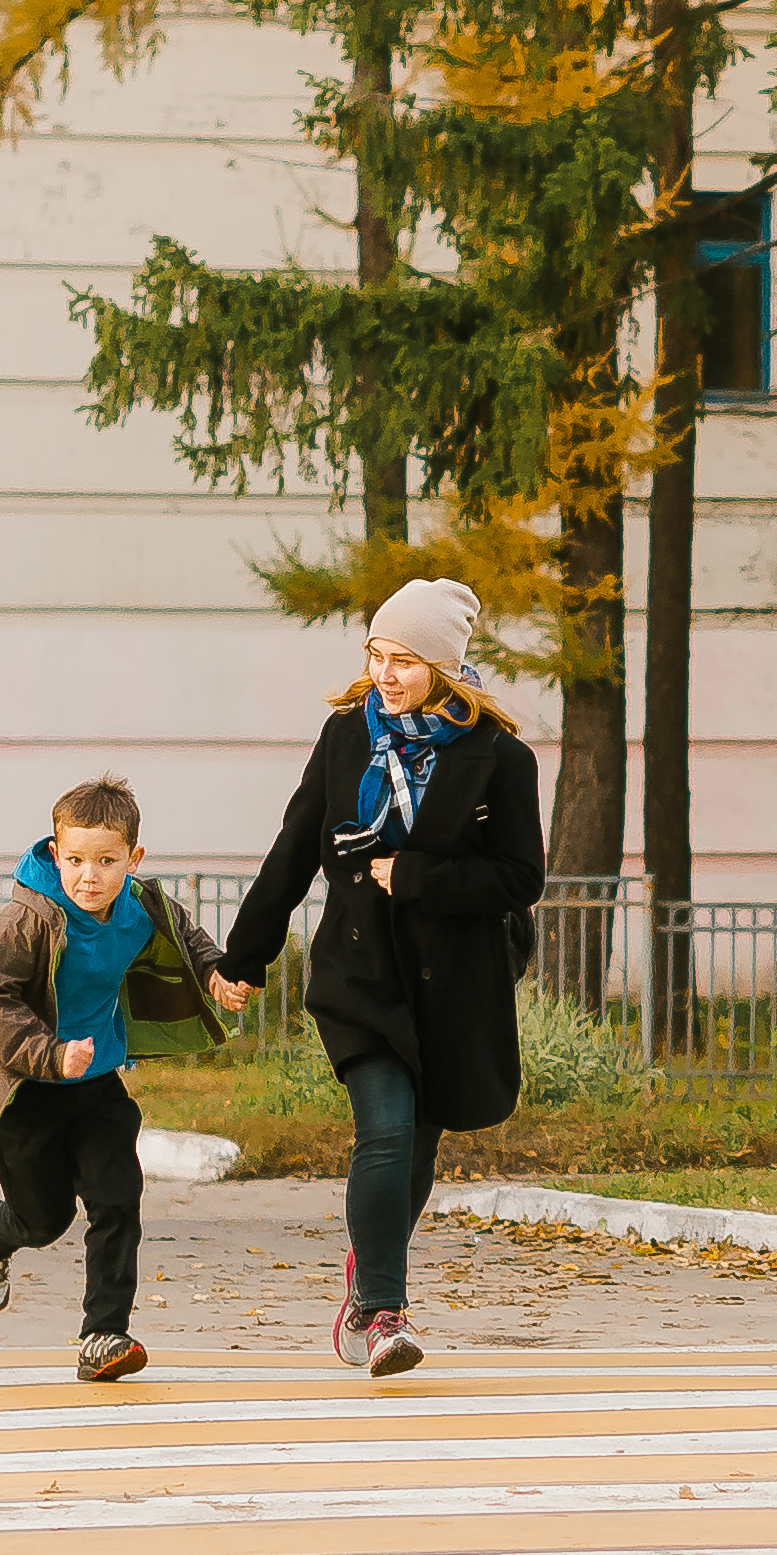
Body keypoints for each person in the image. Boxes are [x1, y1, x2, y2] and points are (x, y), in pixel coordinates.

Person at [210, 579, 545, 1378]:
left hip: (452, 983)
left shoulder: (499, 758)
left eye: (405, 660)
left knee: (418, 1147)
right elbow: (294, 850)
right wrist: (243, 958)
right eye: (377, 655)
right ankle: (383, 1314)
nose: (386, 674)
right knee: (387, 1128)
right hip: (359, 975)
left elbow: (518, 878)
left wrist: (415, 875)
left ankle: (371, 1267)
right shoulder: (345, 739)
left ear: (445, 667)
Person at [0, 775, 230, 1382]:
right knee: (42, 1221)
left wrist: (214, 974)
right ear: (55, 854)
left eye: (107, 861)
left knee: (117, 1196)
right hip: (28, 1089)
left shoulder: (142, 907)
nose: (90, 876)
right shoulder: (26, 919)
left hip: (98, 1083)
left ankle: (104, 1333)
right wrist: (50, 1055)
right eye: (75, 859)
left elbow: (189, 940)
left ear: (134, 859)